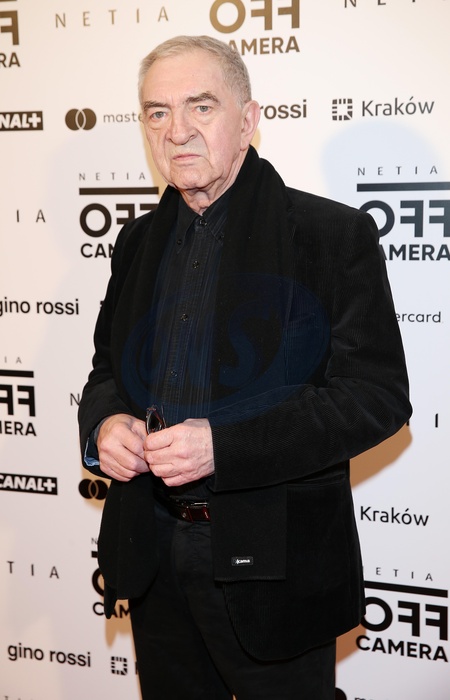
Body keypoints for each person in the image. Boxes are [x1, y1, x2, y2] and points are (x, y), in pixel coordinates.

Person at [78, 35, 412, 700]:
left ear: (248, 119)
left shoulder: (330, 235)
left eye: (201, 107)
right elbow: (105, 372)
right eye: (157, 112)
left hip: (275, 567)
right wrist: (105, 424)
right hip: (151, 549)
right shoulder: (137, 241)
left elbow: (375, 397)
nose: (177, 131)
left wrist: (223, 447)